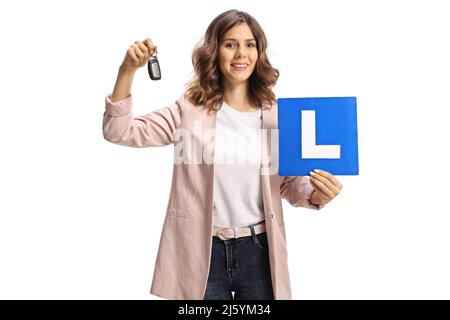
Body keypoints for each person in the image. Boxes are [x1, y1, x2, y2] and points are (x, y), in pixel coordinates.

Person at [102, 9, 343, 300]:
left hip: (260, 251)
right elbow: (119, 130)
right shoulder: (188, 110)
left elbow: (287, 184)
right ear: (214, 51)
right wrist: (127, 70)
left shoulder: (277, 115)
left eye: (249, 44)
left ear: (259, 52)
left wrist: (317, 194)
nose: (241, 53)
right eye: (230, 44)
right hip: (200, 250)